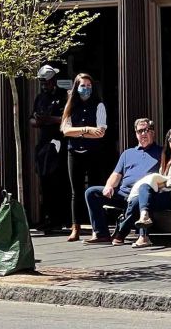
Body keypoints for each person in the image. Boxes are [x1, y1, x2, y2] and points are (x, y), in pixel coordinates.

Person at [83, 117, 161, 245]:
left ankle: (126, 234)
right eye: (140, 131)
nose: (143, 134)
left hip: (141, 194)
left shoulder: (161, 152)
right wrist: (109, 186)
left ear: (152, 132)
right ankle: (101, 233)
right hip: (122, 194)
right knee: (91, 192)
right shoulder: (127, 153)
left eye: (147, 130)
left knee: (139, 198)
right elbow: (116, 175)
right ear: (136, 133)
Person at [123, 126, 171, 248]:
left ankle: (128, 233)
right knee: (142, 192)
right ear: (168, 141)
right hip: (165, 193)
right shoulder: (165, 157)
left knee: (144, 200)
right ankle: (143, 220)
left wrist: (163, 184)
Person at [60, 73, 108, 242]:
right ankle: (76, 227)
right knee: (76, 192)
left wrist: (78, 132)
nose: (86, 89)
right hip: (74, 153)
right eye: (82, 86)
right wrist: (87, 129)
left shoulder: (99, 105)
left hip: (94, 153)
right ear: (76, 87)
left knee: (95, 190)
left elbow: (100, 133)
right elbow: (66, 131)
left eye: (89, 86)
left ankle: (97, 228)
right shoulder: (71, 106)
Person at [30, 64, 69, 233]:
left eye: (46, 82)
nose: (44, 85)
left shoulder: (63, 96)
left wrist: (50, 119)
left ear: (54, 80)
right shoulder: (40, 97)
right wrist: (38, 121)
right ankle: (47, 217)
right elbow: (31, 119)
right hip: (44, 143)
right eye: (42, 82)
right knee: (44, 180)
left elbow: (67, 119)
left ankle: (61, 218)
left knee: (58, 179)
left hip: (59, 141)